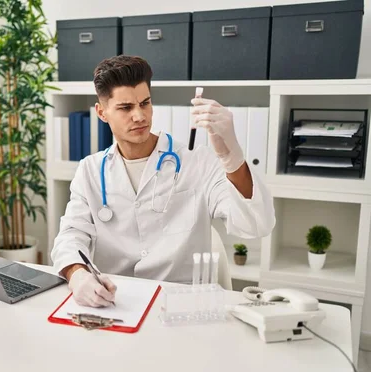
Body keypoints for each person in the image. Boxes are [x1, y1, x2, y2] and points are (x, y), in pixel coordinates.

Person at [51, 55, 276, 308]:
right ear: (102, 112)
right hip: (117, 303)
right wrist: (77, 275)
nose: (139, 116)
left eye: (145, 103)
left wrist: (232, 156)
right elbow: (71, 236)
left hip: (182, 306)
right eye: (126, 108)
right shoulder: (90, 171)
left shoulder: (197, 162)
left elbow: (257, 225)